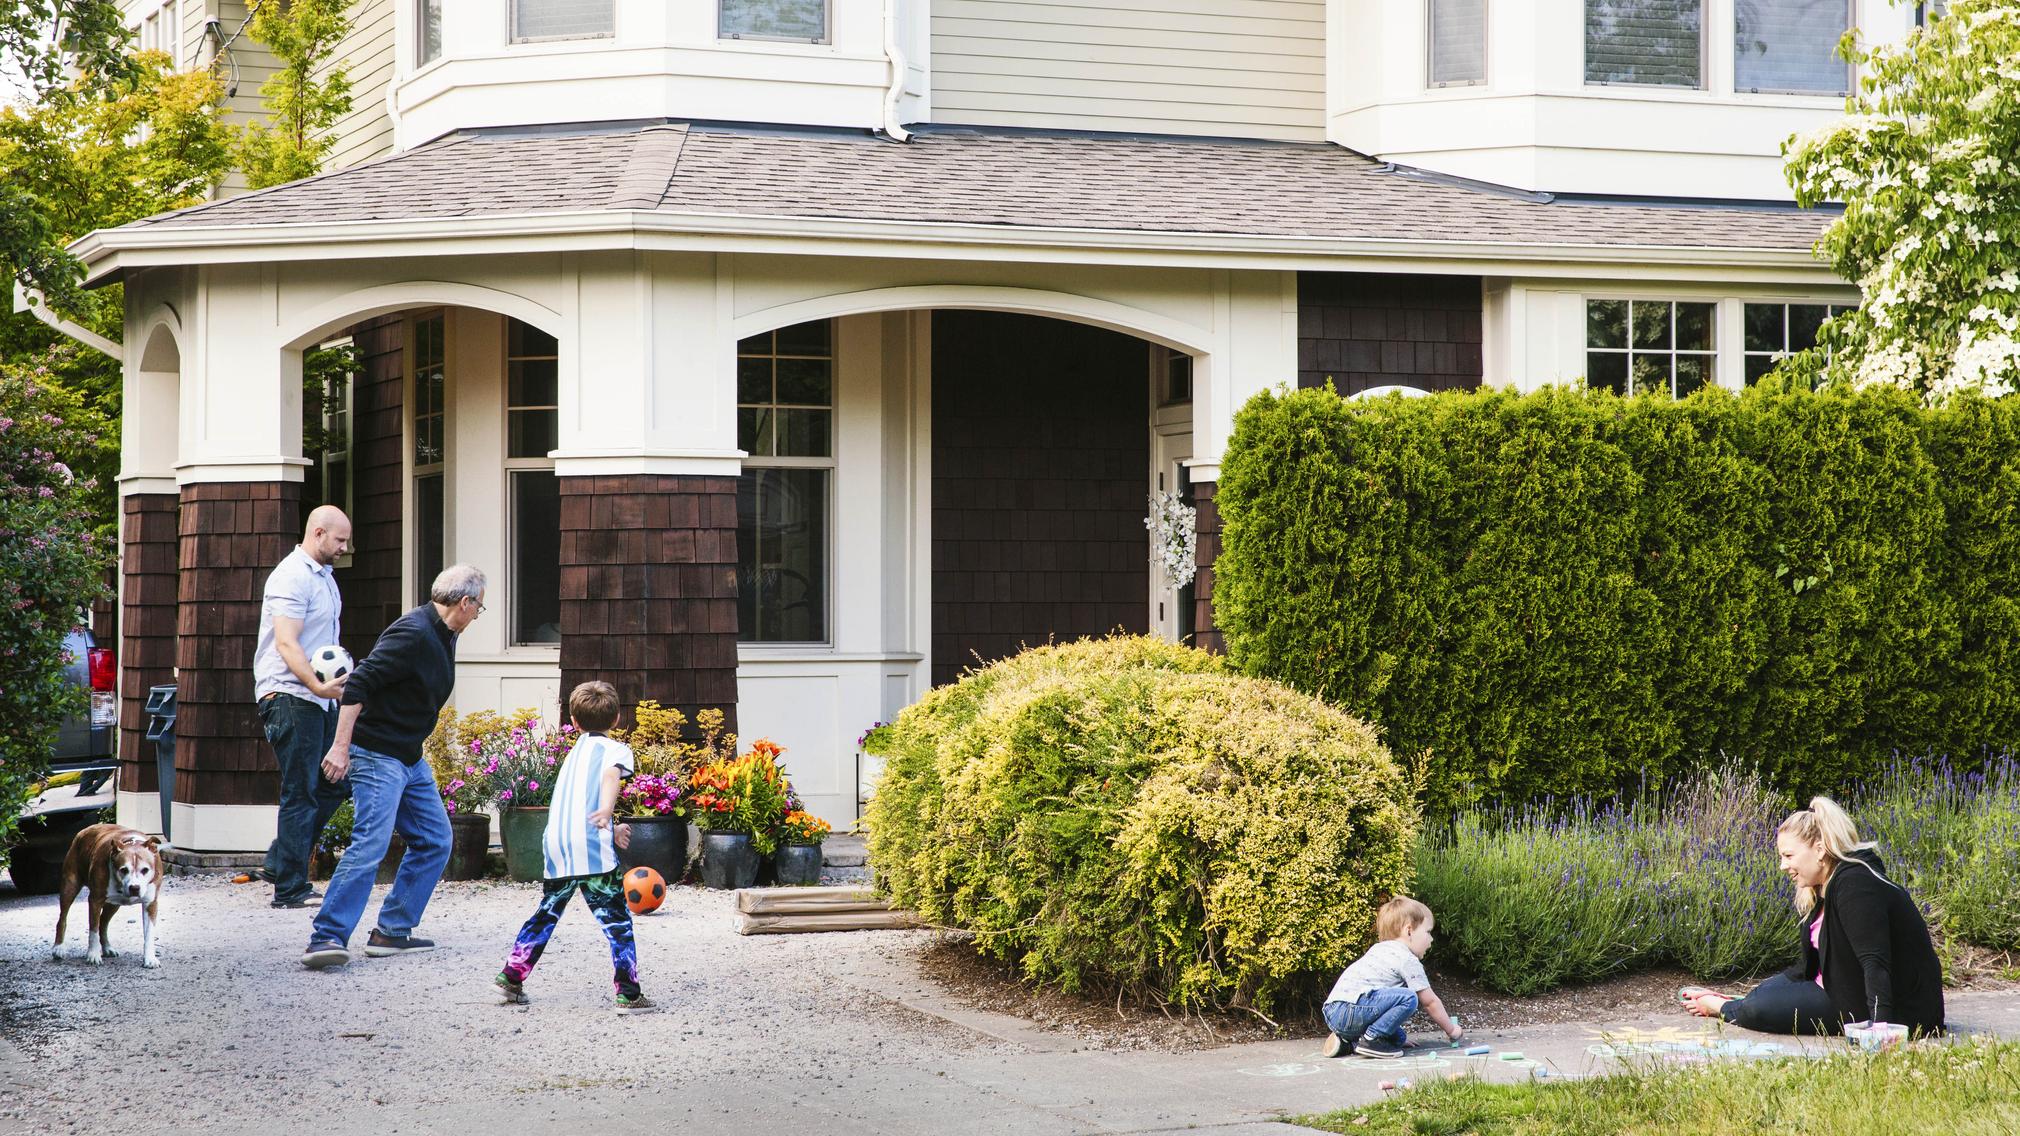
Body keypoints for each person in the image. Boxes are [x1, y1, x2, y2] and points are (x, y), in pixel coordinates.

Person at [301, 565, 486, 970]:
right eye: (479, 607)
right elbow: (359, 683)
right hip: (377, 753)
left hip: (408, 756)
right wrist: (340, 747)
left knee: (436, 839)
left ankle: (391, 931)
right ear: (465, 602)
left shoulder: (443, 633)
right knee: (370, 842)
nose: (477, 614)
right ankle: (326, 936)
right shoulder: (414, 632)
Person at [1681, 796, 1945, 1037]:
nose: (1783, 866)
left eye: (1788, 856)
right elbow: (1812, 965)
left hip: (1886, 1010)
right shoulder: (1826, 886)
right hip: (1839, 988)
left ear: (1819, 850)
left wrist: (1880, 1030)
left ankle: (1722, 1006)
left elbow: (1875, 962)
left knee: (1758, 1010)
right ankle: (1739, 1002)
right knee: (1761, 994)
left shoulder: (1855, 885)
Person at [493, 681, 654, 1013]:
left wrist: (611, 826)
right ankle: (629, 992)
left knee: (547, 912)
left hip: (557, 845)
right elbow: (610, 778)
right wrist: (609, 812)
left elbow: (581, 806)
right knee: (616, 920)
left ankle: (513, 974)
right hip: (591, 851)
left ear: (574, 722)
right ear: (618, 719)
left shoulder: (573, 753)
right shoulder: (616, 750)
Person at [254, 505, 352, 909]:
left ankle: (280, 862)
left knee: (335, 783)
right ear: (317, 532)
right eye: (340, 540)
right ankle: (290, 888)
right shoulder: (292, 576)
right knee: (301, 790)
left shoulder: (323, 577)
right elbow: (286, 642)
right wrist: (317, 685)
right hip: (291, 696)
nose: (346, 547)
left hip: (316, 697)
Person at [1321, 896, 1464, 1059]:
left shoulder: (1378, 949)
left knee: (1398, 1038)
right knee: (1409, 998)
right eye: (1428, 932)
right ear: (1409, 931)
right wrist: (1452, 1030)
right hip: (1353, 1008)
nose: (1431, 940)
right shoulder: (1407, 959)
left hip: (1333, 1011)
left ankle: (1346, 1042)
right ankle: (1371, 1039)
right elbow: (1430, 1002)